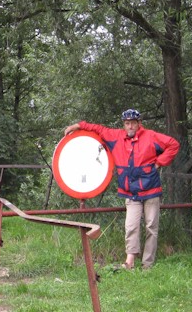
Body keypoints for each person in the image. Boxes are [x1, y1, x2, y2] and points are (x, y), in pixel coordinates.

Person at [64, 109, 180, 269]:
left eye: (133, 123)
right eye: (127, 123)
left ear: (139, 124)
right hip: (130, 192)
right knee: (131, 226)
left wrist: (159, 162)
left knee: (151, 227)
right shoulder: (116, 136)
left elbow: (173, 145)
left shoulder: (151, 136)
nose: (130, 126)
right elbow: (98, 129)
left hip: (151, 189)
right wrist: (79, 125)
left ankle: (148, 264)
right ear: (124, 125)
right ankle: (130, 262)